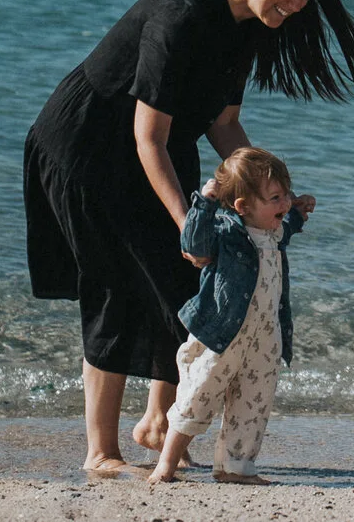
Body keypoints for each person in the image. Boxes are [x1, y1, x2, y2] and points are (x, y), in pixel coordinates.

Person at [24, 0, 354, 480]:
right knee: (114, 286)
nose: (298, 4)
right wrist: (185, 223)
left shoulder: (249, 27)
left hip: (164, 146)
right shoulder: (179, 17)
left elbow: (222, 124)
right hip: (88, 147)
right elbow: (146, 138)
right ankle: (100, 452)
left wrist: (272, 193)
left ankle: (157, 424)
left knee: (188, 287)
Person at [150, 147, 313, 485]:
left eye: (286, 194)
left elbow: (290, 224)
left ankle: (235, 468)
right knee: (197, 396)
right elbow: (193, 245)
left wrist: (299, 209)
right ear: (242, 206)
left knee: (253, 404)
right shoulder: (225, 231)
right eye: (276, 197)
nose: (284, 202)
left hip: (265, 336)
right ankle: (166, 464)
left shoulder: (274, 231)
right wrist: (204, 204)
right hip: (222, 335)